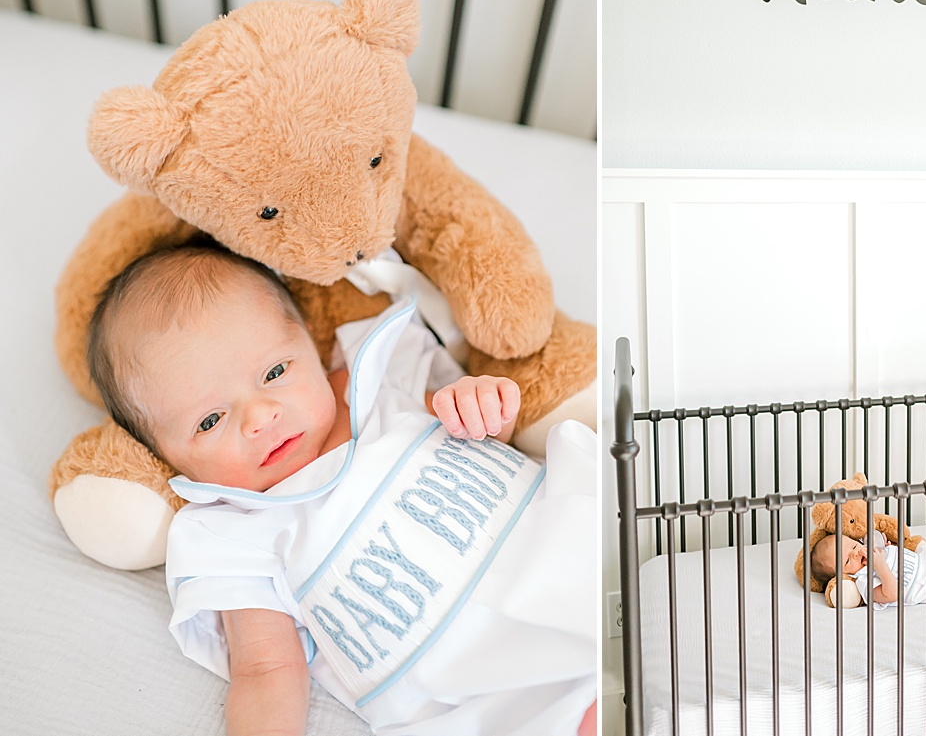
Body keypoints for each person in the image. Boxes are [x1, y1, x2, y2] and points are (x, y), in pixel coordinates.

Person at [87, 241, 596, 736]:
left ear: (309, 342)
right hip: (485, 684)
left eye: (275, 371)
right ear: (163, 453)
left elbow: (485, 444)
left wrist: (479, 406)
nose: (261, 417)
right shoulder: (227, 531)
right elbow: (266, 671)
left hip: (570, 552)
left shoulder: (375, 379)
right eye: (211, 419)